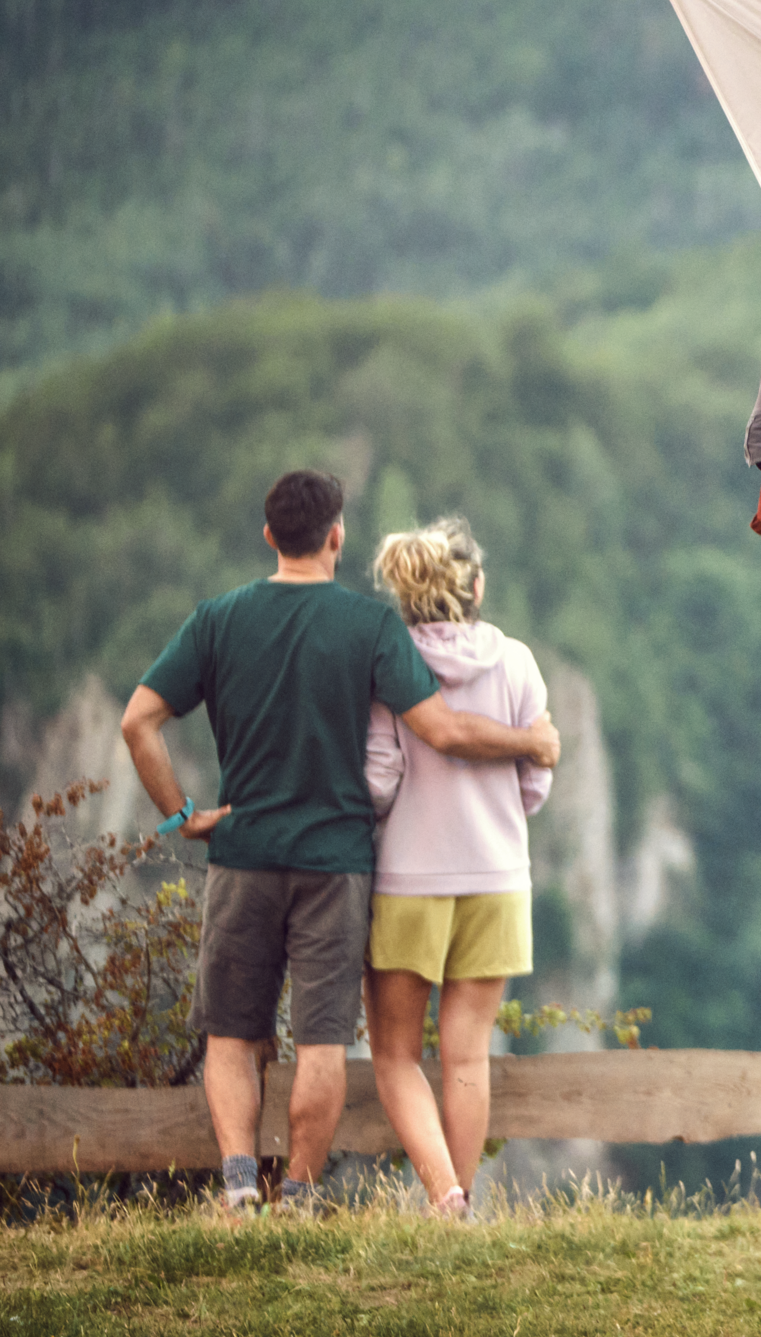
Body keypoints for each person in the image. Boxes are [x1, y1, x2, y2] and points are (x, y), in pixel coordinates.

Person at [119, 471, 560, 1214]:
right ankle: (300, 1191)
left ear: (268, 537)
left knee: (231, 1032)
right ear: (337, 536)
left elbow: (138, 721)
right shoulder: (371, 628)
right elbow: (443, 732)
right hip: (342, 865)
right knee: (324, 1042)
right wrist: (533, 745)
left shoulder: (216, 620)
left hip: (245, 851)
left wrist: (181, 815)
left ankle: (236, 1188)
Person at [360, 516, 549, 1218]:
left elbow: (379, 780)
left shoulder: (391, 667)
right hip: (498, 878)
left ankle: (441, 1193)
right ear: (474, 585)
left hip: (409, 881)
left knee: (396, 1054)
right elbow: (537, 780)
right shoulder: (519, 661)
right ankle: (459, 1209)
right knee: (466, 1055)